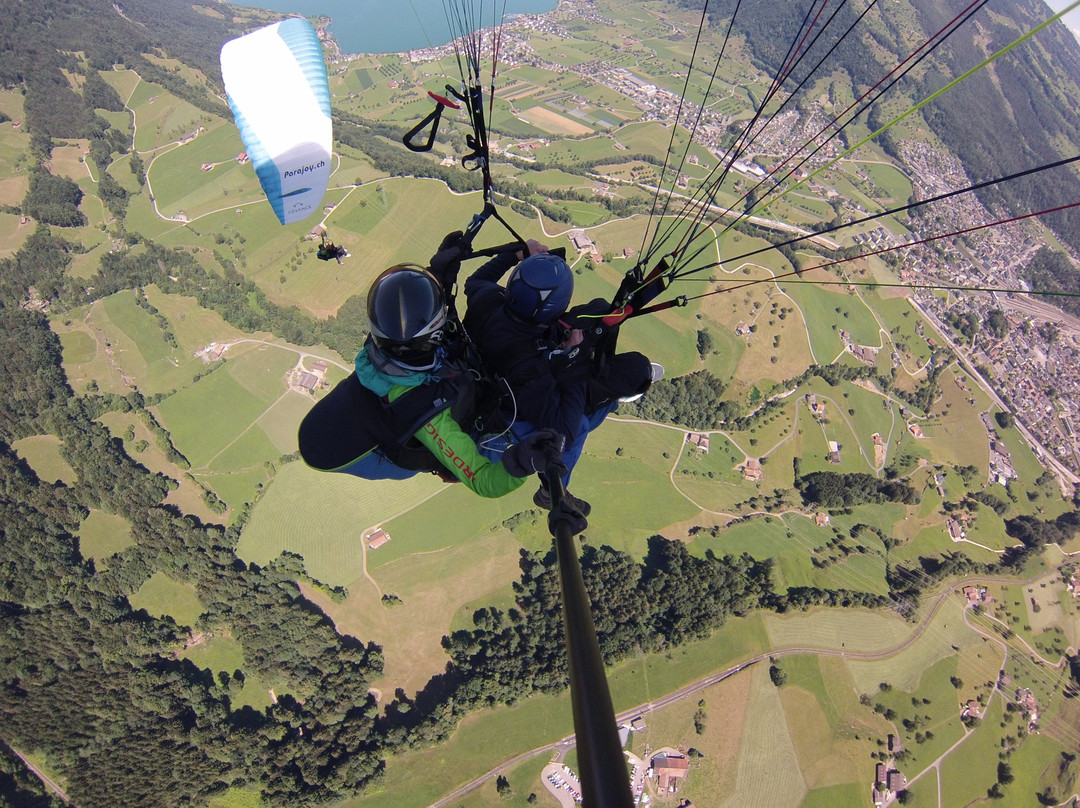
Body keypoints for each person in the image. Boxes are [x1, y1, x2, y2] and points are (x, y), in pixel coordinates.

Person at [298, 259, 573, 507]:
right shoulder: (425, 414)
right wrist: (519, 463)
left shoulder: (387, 344)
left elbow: (403, 312)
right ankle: (434, 459)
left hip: (338, 422)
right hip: (367, 452)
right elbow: (484, 480)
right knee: (478, 432)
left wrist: (440, 271)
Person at [461, 241, 662, 515]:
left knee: (601, 309)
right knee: (588, 415)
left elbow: (477, 279)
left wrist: (516, 255)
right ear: (556, 311)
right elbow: (565, 431)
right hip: (507, 406)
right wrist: (573, 359)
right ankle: (552, 490)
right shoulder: (534, 369)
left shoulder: (486, 299)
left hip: (494, 361)